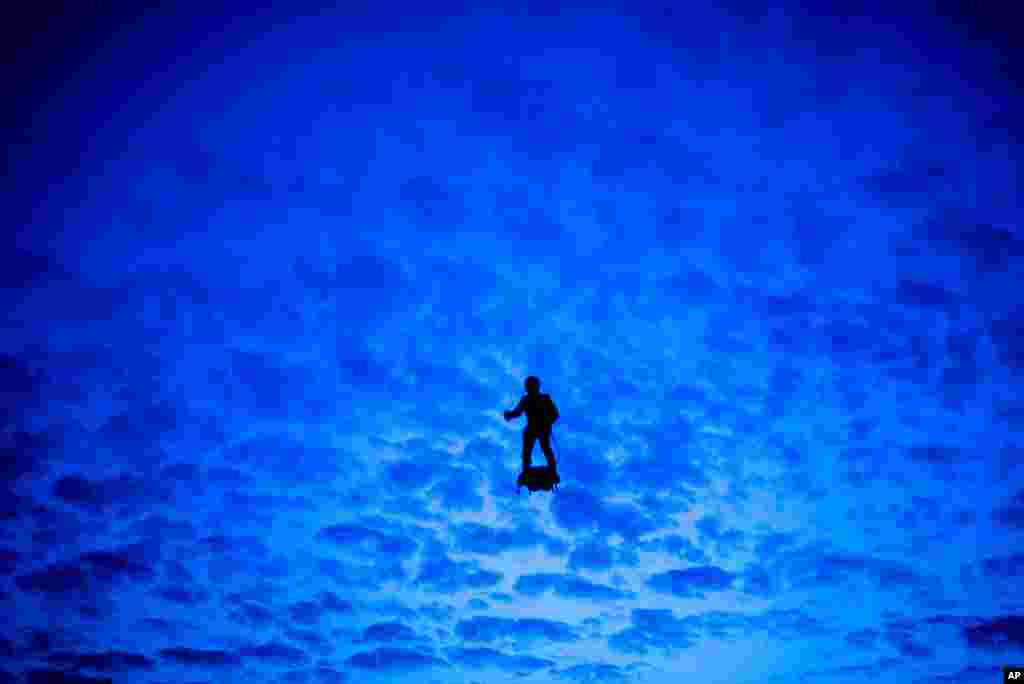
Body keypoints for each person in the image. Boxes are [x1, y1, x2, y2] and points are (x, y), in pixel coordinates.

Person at [503, 376, 559, 478]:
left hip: (543, 428)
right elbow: (518, 411)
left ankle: (552, 468)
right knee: (528, 450)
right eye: (528, 386)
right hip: (532, 428)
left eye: (531, 386)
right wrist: (510, 414)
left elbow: (555, 414)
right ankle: (526, 469)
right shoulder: (526, 399)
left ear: (536, 386)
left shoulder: (545, 398)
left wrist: (546, 423)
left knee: (545, 448)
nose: (529, 388)